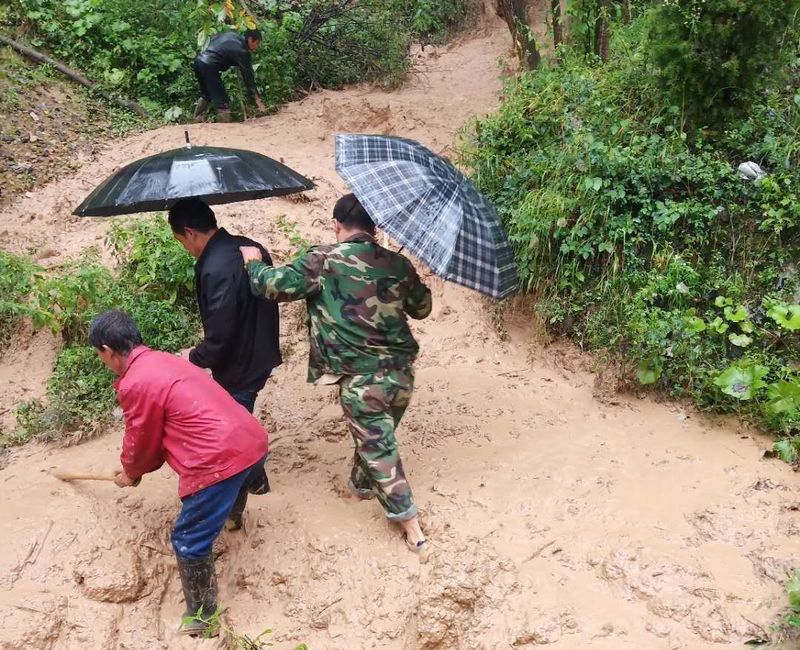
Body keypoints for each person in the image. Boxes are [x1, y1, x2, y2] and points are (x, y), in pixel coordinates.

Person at [239, 194, 432, 553]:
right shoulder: (398, 264)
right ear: (374, 227)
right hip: (402, 376)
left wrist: (253, 264)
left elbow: (271, 286)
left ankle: (412, 526)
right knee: (376, 437)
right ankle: (359, 490)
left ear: (336, 225)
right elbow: (422, 308)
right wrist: (399, 273)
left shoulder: (322, 260)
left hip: (363, 380)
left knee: (379, 448)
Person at [89, 310, 269, 637]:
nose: (102, 361)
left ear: (108, 350)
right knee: (237, 479)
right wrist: (135, 468)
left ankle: (202, 619)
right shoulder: (163, 360)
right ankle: (232, 521)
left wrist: (131, 471)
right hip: (251, 441)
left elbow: (142, 437)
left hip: (220, 459)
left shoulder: (135, 382)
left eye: (99, 355)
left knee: (187, 540)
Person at [168, 197, 281, 416]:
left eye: (181, 241)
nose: (186, 248)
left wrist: (194, 357)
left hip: (239, 366)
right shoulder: (251, 248)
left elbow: (222, 328)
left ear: (190, 233)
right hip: (260, 355)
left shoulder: (215, 267)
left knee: (232, 426)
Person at [193, 28, 267, 122]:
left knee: (206, 94)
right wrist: (256, 99)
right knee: (222, 101)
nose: (257, 47)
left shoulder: (232, 35)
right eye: (257, 43)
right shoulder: (242, 51)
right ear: (250, 39)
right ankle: (224, 125)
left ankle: (196, 119)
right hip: (209, 66)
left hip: (199, 61)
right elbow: (248, 77)